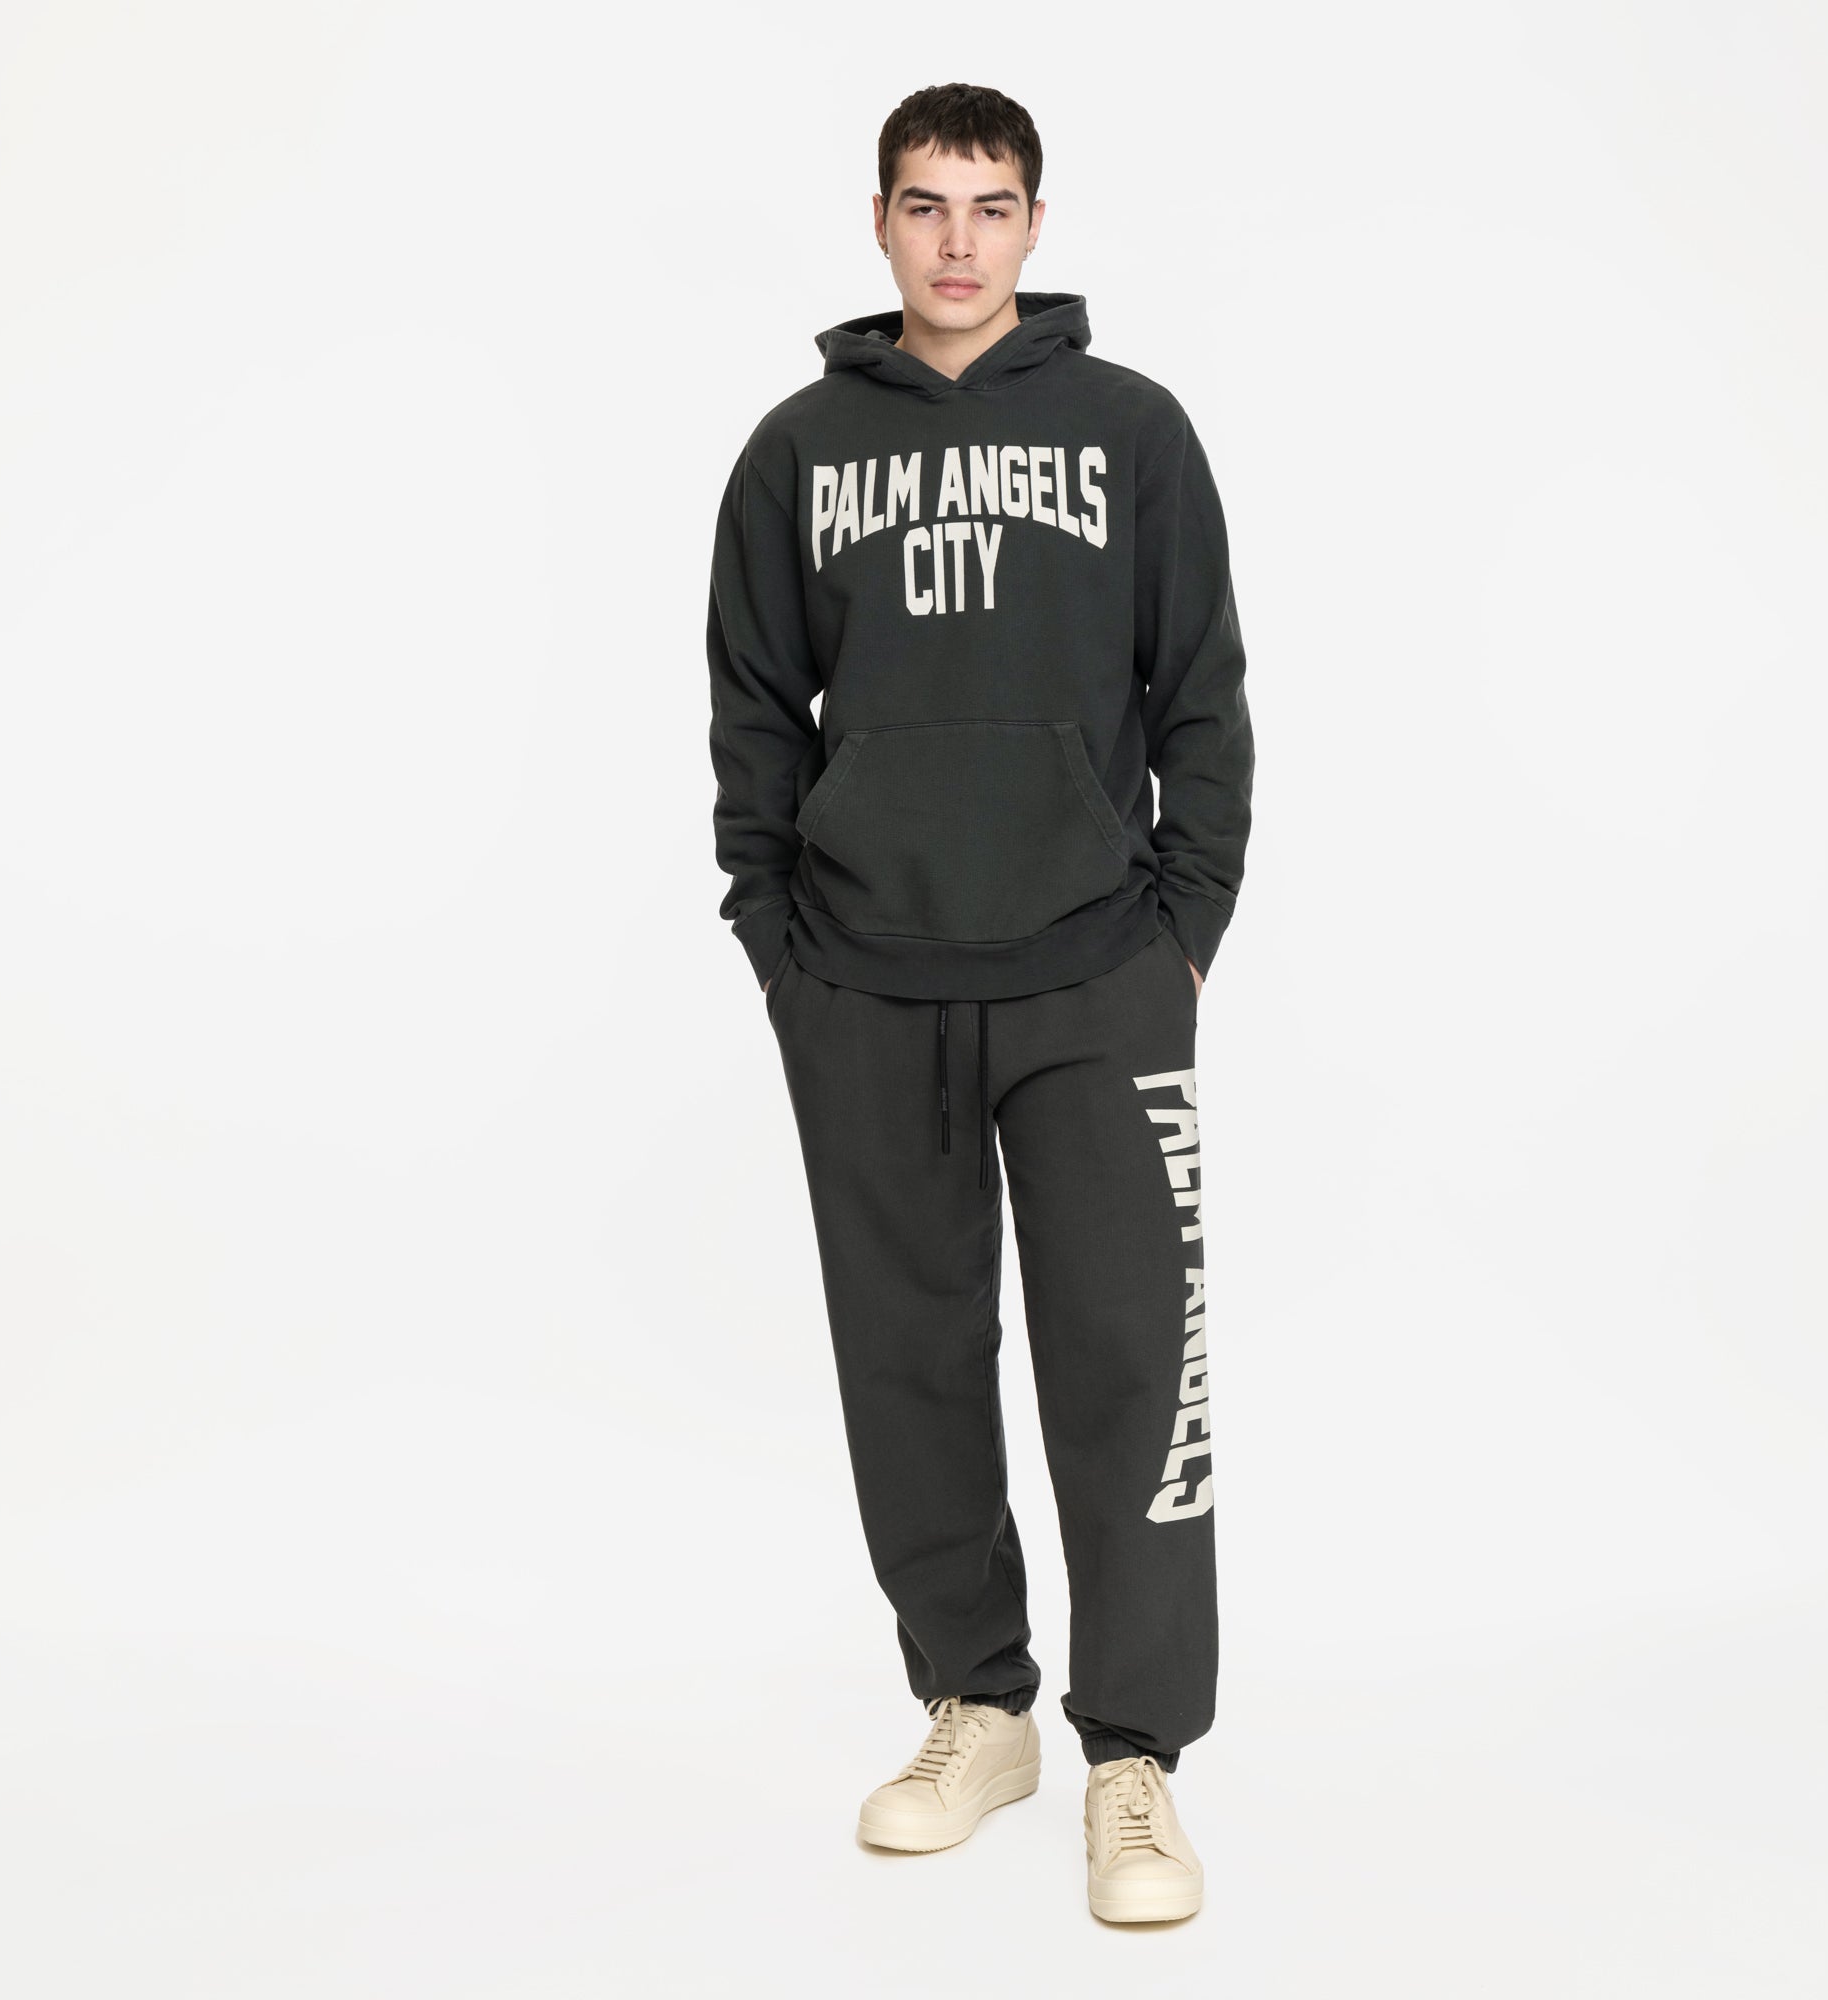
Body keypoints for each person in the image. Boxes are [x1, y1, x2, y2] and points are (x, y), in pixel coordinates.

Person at [704, 80, 1254, 1925]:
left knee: (1131, 1368)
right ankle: (979, 1706)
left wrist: (1183, 934)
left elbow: (1203, 697)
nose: (957, 241)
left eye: (990, 206)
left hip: (1096, 974)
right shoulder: (796, 453)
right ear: (879, 222)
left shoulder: (1132, 432)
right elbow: (754, 716)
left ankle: (1135, 1759)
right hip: (865, 982)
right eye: (926, 205)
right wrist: (781, 947)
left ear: (1034, 224)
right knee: (909, 1362)